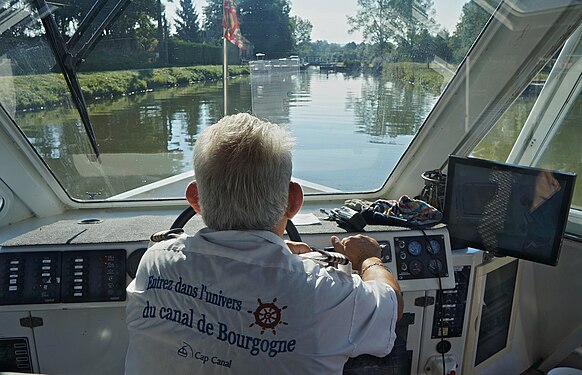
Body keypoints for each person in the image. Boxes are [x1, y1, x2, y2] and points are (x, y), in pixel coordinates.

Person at [125, 113, 403, 374]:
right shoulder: (324, 291)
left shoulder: (155, 261)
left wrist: (292, 260)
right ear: (293, 201)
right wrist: (368, 259)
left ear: (195, 199)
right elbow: (391, 307)